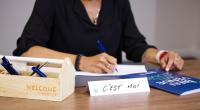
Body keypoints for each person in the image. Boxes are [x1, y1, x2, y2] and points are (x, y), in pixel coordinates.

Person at [13, 0, 184, 73]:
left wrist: (162, 55)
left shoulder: (119, 3)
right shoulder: (52, 2)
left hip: (111, 92)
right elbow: (26, 52)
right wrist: (80, 62)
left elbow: (136, 46)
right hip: (64, 93)